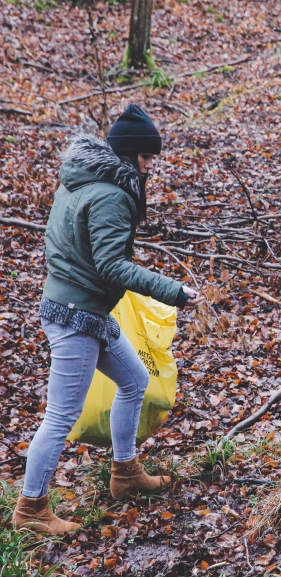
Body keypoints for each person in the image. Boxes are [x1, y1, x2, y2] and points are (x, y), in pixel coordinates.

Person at [14, 105, 200, 535]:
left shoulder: (80, 182)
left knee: (135, 380)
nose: (150, 166)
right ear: (132, 154)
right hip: (76, 316)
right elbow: (112, 266)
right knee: (61, 414)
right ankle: (31, 507)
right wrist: (172, 290)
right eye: (147, 158)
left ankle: (125, 472)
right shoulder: (112, 195)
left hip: (81, 309)